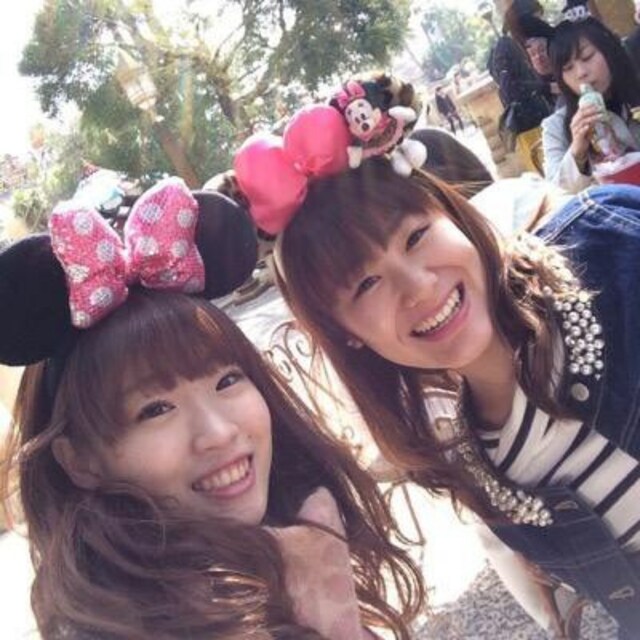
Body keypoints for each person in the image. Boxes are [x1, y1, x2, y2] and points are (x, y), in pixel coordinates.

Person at [231, 86, 640, 638]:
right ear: (347, 335)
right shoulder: (475, 467)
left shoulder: (607, 246)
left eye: (416, 236)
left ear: (450, 213)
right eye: (366, 284)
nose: (418, 287)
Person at [0, 177, 423, 639]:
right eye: (156, 409)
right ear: (81, 461)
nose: (219, 432)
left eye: (227, 380)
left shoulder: (301, 535)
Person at [542, 4, 640, 193]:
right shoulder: (555, 128)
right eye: (568, 68)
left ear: (609, 51)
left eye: (587, 57)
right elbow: (556, 196)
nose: (581, 73)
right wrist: (577, 153)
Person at [487, 0, 553, 173]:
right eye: (536, 19)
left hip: (542, 117)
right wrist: (546, 88)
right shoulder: (505, 45)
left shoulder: (522, 43)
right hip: (529, 123)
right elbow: (509, 88)